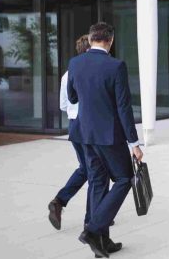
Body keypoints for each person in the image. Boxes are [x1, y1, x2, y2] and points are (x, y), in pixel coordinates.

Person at [67, 22, 143, 258]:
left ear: (91, 40)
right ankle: (94, 229)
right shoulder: (116, 66)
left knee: (99, 182)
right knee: (124, 178)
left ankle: (102, 242)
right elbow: (124, 107)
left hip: (85, 134)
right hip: (109, 136)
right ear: (110, 41)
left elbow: (72, 97)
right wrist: (134, 143)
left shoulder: (75, 63)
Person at [48, 35, 91, 231]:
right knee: (97, 171)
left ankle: (59, 202)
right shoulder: (91, 72)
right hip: (90, 126)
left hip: (74, 126)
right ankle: (93, 218)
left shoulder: (67, 74)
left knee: (86, 168)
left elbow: (63, 105)